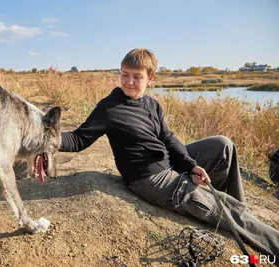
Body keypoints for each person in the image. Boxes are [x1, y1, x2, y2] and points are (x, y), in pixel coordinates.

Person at [59, 48, 279, 256]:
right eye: (124, 74)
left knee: (223, 146)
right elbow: (79, 139)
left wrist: (190, 165)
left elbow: (168, 138)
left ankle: (236, 210)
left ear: (150, 78)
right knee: (228, 211)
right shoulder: (109, 107)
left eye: (137, 76)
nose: (129, 81)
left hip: (169, 164)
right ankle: (248, 225)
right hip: (152, 178)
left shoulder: (152, 104)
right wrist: (49, 139)